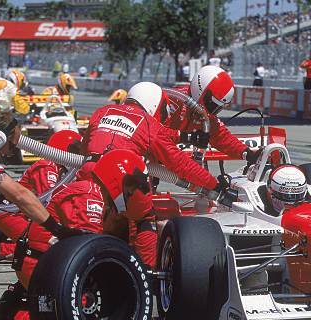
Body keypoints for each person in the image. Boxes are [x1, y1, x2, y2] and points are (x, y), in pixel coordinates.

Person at [0, 149, 151, 320]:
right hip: (40, 264)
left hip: (53, 261)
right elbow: (86, 253)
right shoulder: (89, 196)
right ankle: (13, 319)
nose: (139, 189)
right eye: (135, 185)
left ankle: (25, 296)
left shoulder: (100, 196)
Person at [81, 81, 228, 268]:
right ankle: (146, 275)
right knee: (145, 221)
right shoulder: (149, 123)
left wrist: (186, 137)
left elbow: (84, 147)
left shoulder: (102, 111)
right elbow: (181, 164)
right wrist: (214, 184)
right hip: (121, 180)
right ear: (153, 104)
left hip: (89, 175)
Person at [0, 129, 82, 258]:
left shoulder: (59, 168)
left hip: (21, 213)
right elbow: (49, 199)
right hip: (10, 213)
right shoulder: (47, 166)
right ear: (64, 150)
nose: (77, 156)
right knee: (41, 243)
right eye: (75, 151)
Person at [166, 66, 260, 162]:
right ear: (200, 91)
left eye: (219, 108)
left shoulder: (206, 116)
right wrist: (185, 137)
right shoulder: (172, 100)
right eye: (214, 105)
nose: (214, 112)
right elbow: (154, 131)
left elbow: (222, 137)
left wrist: (248, 154)